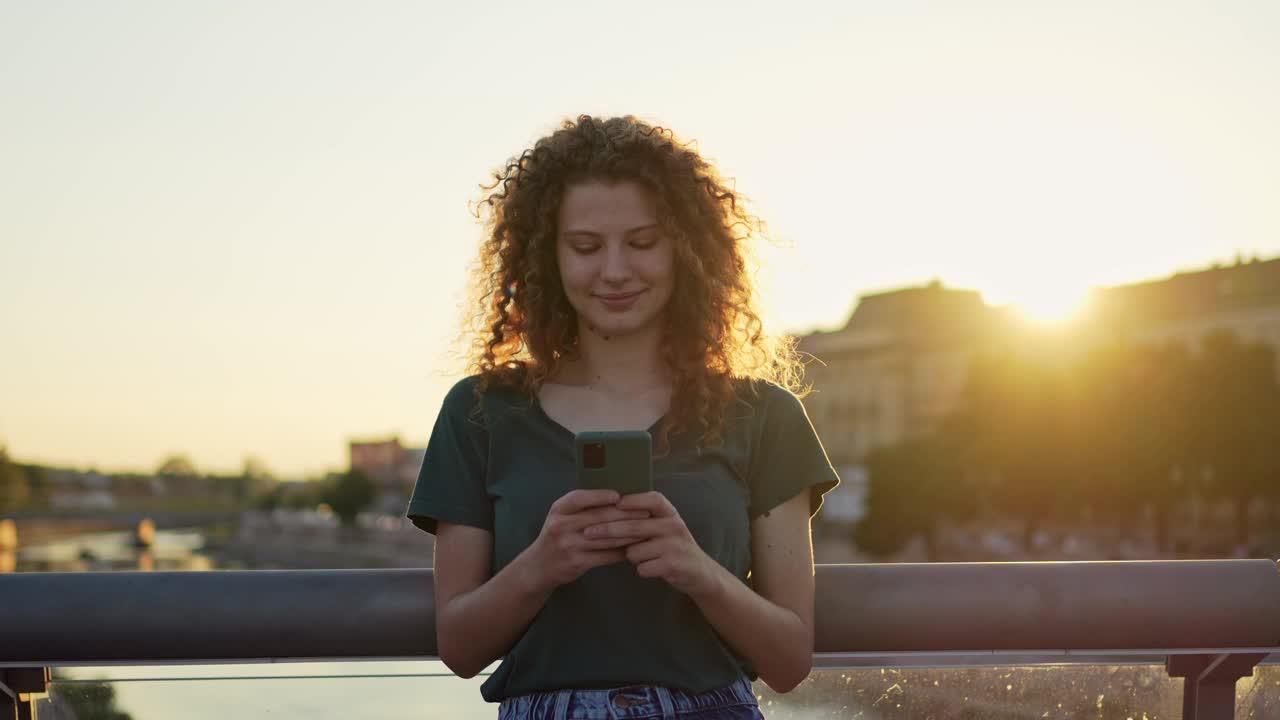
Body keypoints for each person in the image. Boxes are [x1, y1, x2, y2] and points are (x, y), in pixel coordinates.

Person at [406, 114, 840, 720]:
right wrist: (543, 563)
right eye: (585, 247)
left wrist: (697, 571)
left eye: (642, 243)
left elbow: (790, 660)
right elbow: (459, 647)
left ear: (685, 249)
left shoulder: (766, 416)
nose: (614, 270)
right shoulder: (480, 412)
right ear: (546, 256)